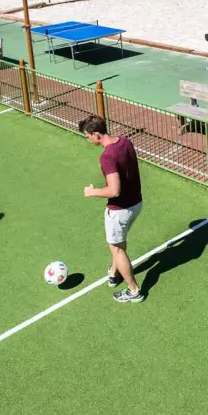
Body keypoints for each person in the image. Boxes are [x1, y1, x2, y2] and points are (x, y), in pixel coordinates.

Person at [79, 114, 144, 303]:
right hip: (136, 204)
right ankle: (114, 274)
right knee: (118, 244)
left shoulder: (107, 156)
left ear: (97, 134)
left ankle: (134, 291)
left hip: (120, 210)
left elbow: (114, 190)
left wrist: (92, 192)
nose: (87, 139)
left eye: (88, 136)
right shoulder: (125, 142)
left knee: (117, 249)